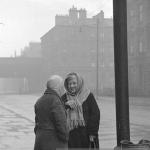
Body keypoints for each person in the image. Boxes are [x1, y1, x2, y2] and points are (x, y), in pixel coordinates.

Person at [61, 72, 100, 148]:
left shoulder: (88, 96)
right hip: (71, 137)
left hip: (86, 135)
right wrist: (66, 106)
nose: (72, 86)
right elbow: (59, 114)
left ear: (79, 83)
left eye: (74, 83)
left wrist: (92, 133)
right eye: (69, 84)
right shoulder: (64, 98)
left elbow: (95, 115)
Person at [34, 75, 69, 150]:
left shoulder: (39, 101)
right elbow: (61, 125)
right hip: (53, 142)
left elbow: (36, 123)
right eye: (62, 86)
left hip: (40, 141)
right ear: (57, 87)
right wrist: (66, 138)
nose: (63, 89)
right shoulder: (55, 101)